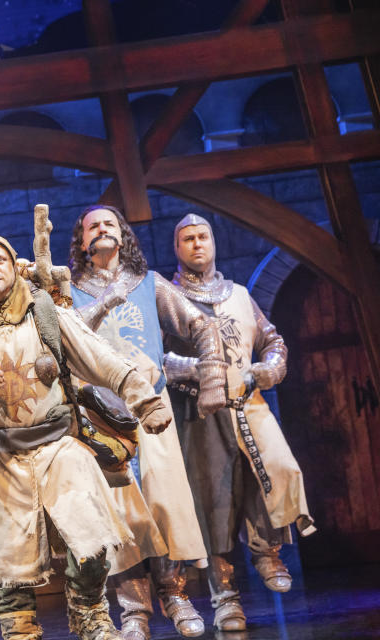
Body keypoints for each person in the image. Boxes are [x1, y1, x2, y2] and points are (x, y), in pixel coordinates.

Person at [0, 233, 174, 640]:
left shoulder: (43, 311)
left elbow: (100, 357)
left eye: (0, 260)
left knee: (91, 529)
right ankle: (19, 628)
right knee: (6, 555)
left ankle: (89, 610)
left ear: (12, 266)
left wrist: (145, 401)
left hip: (56, 446)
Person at [68, 205, 227, 640]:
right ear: (81, 242)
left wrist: (213, 374)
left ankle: (175, 595)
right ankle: (133, 609)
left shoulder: (149, 284)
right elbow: (61, 341)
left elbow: (201, 325)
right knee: (120, 514)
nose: (101, 229)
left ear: (123, 235)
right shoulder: (68, 293)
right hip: (101, 417)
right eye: (92, 226)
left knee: (165, 503)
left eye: (109, 223)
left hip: (152, 410)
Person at [164, 213, 315, 631]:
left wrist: (268, 369)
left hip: (249, 403)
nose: (197, 244)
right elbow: (156, 357)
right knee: (214, 502)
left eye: (203, 237)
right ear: (176, 248)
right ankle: (224, 595)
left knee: (279, 472)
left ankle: (267, 552)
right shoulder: (169, 296)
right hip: (200, 413)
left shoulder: (239, 294)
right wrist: (196, 369)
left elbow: (273, 342)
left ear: (214, 243)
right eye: (188, 239)